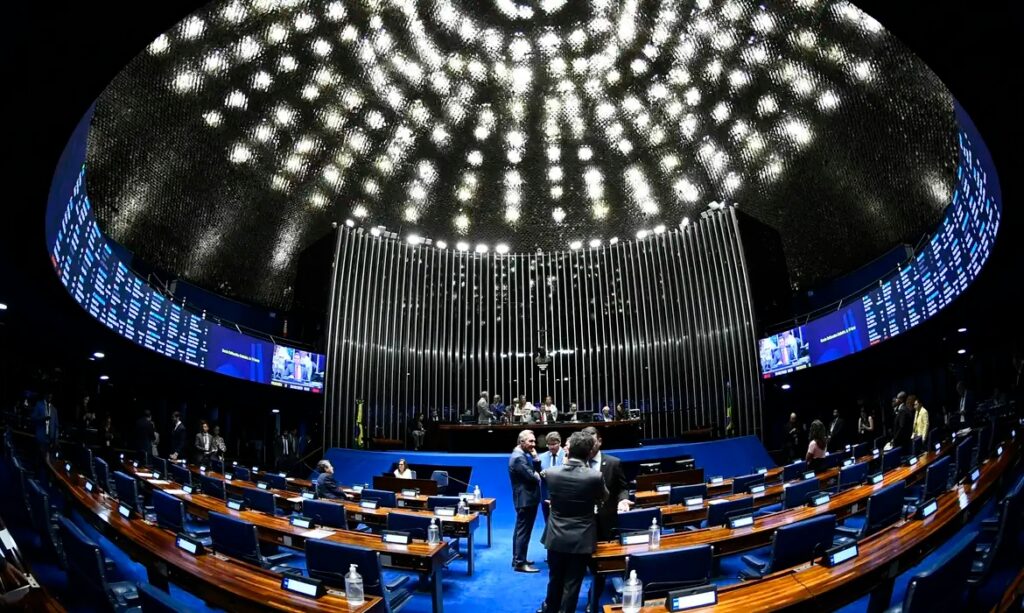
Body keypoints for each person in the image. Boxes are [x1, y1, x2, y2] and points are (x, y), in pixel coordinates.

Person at [540, 431, 607, 613]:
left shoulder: (551, 473)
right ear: (588, 453)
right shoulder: (594, 476)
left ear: (567, 451)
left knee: (555, 577)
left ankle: (550, 609)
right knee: (573, 582)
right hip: (581, 537)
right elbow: (603, 497)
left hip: (555, 535)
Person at [581, 426, 630, 607]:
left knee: (600, 566)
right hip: (582, 524)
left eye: (592, 439)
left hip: (606, 521)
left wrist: (623, 500)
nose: (589, 444)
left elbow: (622, 488)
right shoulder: (577, 463)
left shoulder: (613, 463)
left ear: (600, 441)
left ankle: (592, 600)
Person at [508, 430, 542, 573]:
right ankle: (520, 563)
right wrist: (536, 462)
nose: (534, 444)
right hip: (525, 499)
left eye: (534, 441)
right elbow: (534, 477)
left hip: (525, 498)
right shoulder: (519, 458)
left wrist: (534, 461)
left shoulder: (520, 455)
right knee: (523, 531)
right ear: (521, 442)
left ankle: (518, 558)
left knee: (520, 530)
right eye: (531, 441)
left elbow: (534, 474)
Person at [537, 432, 565, 526]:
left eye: (554, 444)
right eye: (549, 444)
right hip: (546, 496)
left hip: (562, 496)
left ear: (560, 443)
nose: (551, 447)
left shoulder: (567, 456)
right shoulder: (541, 457)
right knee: (548, 524)